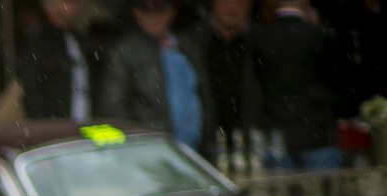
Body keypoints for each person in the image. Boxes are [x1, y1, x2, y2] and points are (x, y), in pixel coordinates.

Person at [98, 0, 218, 154]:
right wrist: (139, 145)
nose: (153, 15)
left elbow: (205, 98)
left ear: (172, 11)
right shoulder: (124, 52)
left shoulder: (188, 47)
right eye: (145, 8)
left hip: (194, 153)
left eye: (161, 7)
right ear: (136, 12)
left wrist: (209, 143)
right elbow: (113, 109)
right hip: (151, 153)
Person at [255, 0, 343, 169]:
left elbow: (256, 85)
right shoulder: (319, 35)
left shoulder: (261, 37)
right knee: (322, 187)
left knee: (279, 187)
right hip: (316, 134)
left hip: (277, 135)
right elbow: (337, 81)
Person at [18, 0, 103, 120]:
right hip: (57, 125)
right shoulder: (38, 43)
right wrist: (47, 123)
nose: (76, 6)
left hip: (89, 123)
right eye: (68, 2)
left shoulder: (81, 41)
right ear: (50, 7)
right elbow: (32, 92)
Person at [204, 0, 267, 160]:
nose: (232, 6)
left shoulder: (263, 41)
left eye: (239, 1)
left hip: (255, 139)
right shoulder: (193, 42)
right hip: (208, 141)